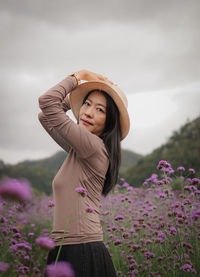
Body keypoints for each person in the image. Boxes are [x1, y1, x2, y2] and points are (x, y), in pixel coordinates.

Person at [38, 69, 130, 277]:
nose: (88, 113)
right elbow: (45, 116)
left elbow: (47, 101)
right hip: (67, 249)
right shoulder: (80, 149)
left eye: (100, 110)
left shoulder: (92, 147)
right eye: (86, 104)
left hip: (80, 251)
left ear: (110, 121)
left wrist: (79, 76)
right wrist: (76, 99)